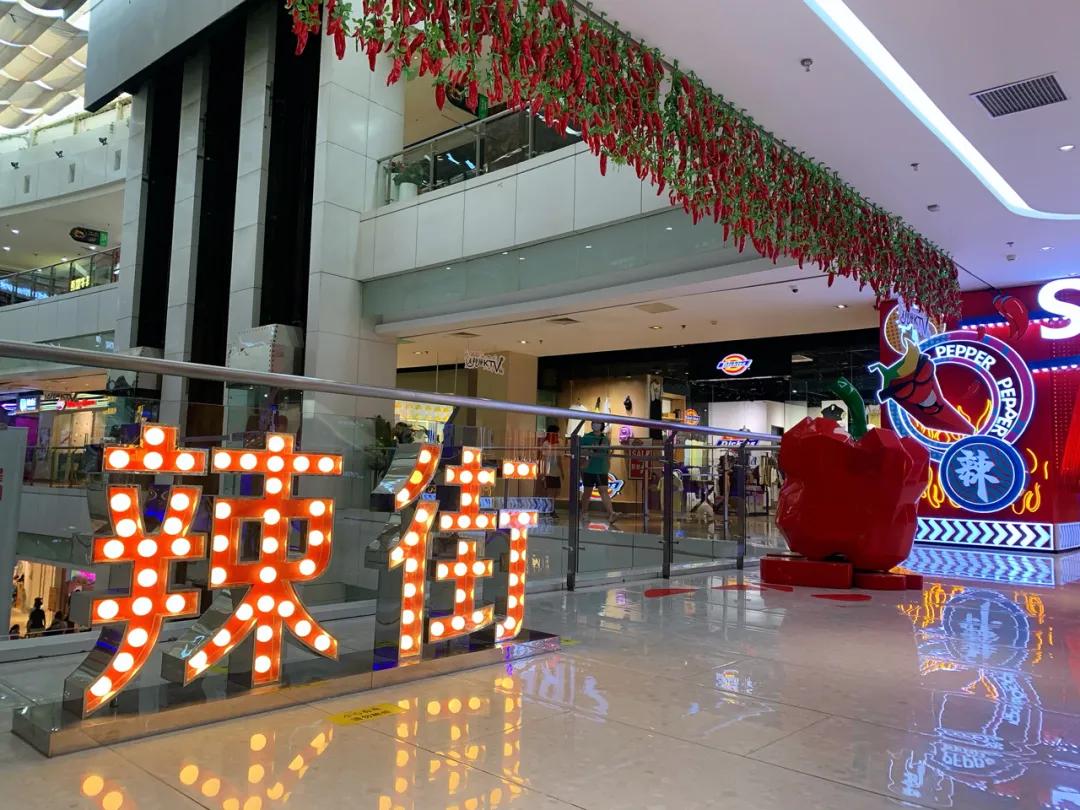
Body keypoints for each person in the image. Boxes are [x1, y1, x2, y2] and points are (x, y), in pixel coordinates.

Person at [579, 421, 617, 523]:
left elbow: (607, 454)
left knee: (604, 491)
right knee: (587, 492)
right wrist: (591, 450)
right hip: (588, 469)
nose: (595, 425)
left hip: (602, 469)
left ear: (602, 425)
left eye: (598, 423)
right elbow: (580, 452)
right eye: (594, 423)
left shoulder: (605, 439)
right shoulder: (586, 438)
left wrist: (608, 465)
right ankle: (584, 512)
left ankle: (611, 513)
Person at [539, 424, 562, 519]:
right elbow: (543, 458)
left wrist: (562, 471)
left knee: (557, 491)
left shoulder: (559, 442)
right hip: (548, 470)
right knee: (550, 492)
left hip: (556, 470)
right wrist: (543, 472)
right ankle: (550, 510)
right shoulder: (546, 443)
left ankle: (549, 508)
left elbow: (559, 459)